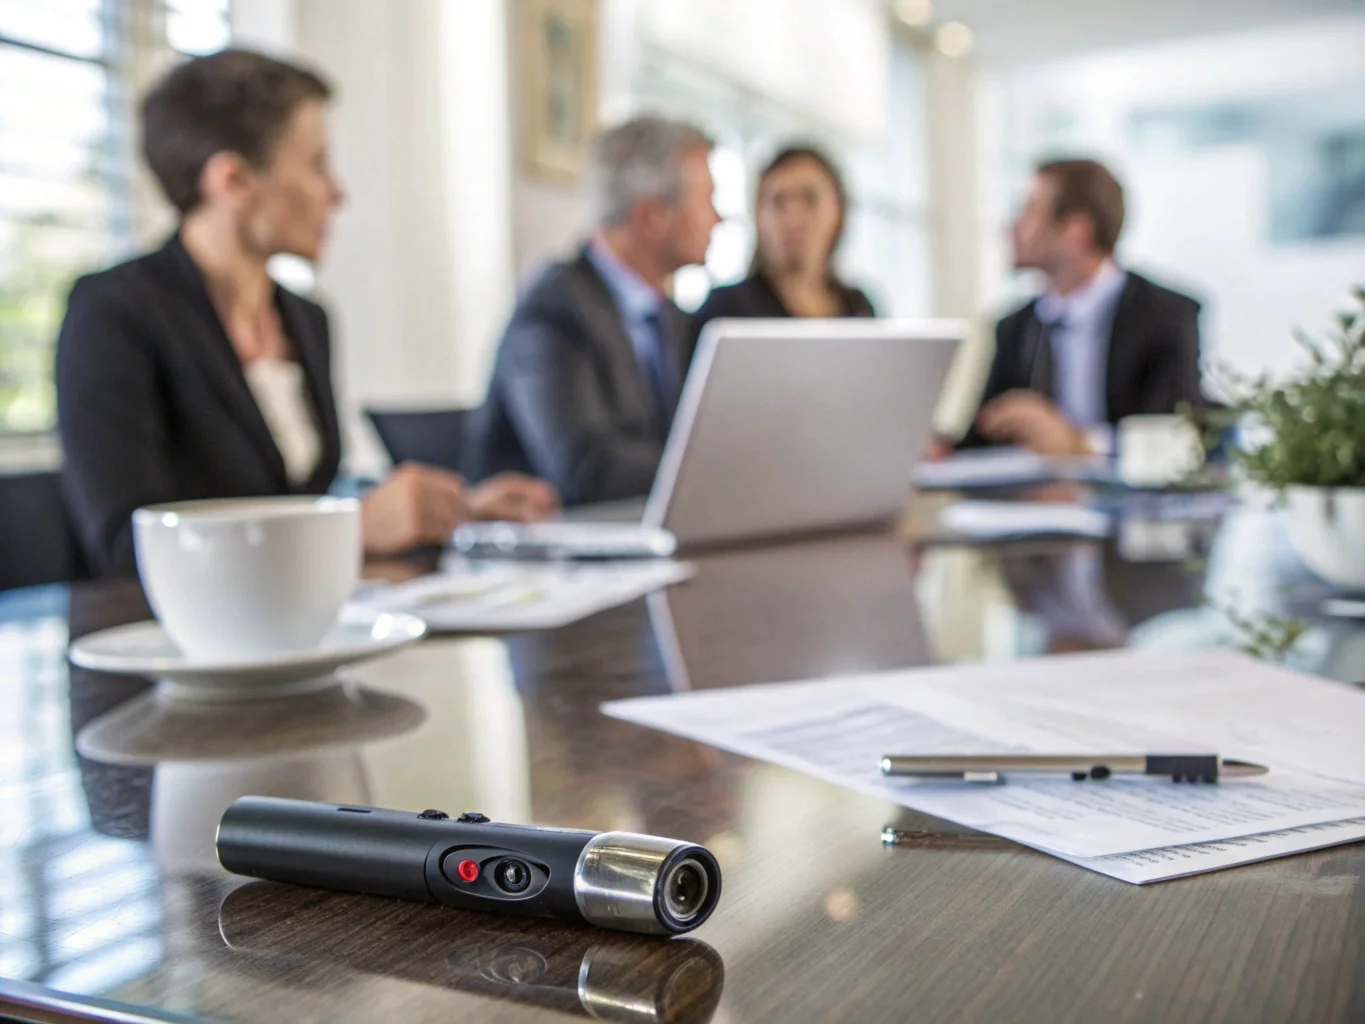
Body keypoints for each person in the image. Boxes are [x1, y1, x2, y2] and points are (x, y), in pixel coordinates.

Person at [57, 49, 557, 579]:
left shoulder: (306, 319)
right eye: (317, 165)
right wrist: (355, 527)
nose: (337, 193)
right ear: (233, 181)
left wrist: (458, 508)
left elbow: (304, 495)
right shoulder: (114, 312)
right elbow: (123, 544)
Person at [465, 116, 720, 506]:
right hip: (547, 552)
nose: (717, 219)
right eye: (706, 200)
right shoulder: (552, 309)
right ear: (652, 216)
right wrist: (716, 468)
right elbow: (586, 471)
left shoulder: (671, 319)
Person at [948, 158, 1203, 456]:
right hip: (1033, 499)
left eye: (1030, 210)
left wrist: (1079, 443)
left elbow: (1174, 440)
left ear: (1076, 229)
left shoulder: (1166, 317)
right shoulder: (1015, 327)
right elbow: (981, 438)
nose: (1013, 226)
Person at [691, 144, 874, 344]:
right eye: (778, 202)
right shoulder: (727, 312)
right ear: (757, 215)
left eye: (810, 199)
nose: (793, 219)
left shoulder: (859, 307)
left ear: (839, 210)